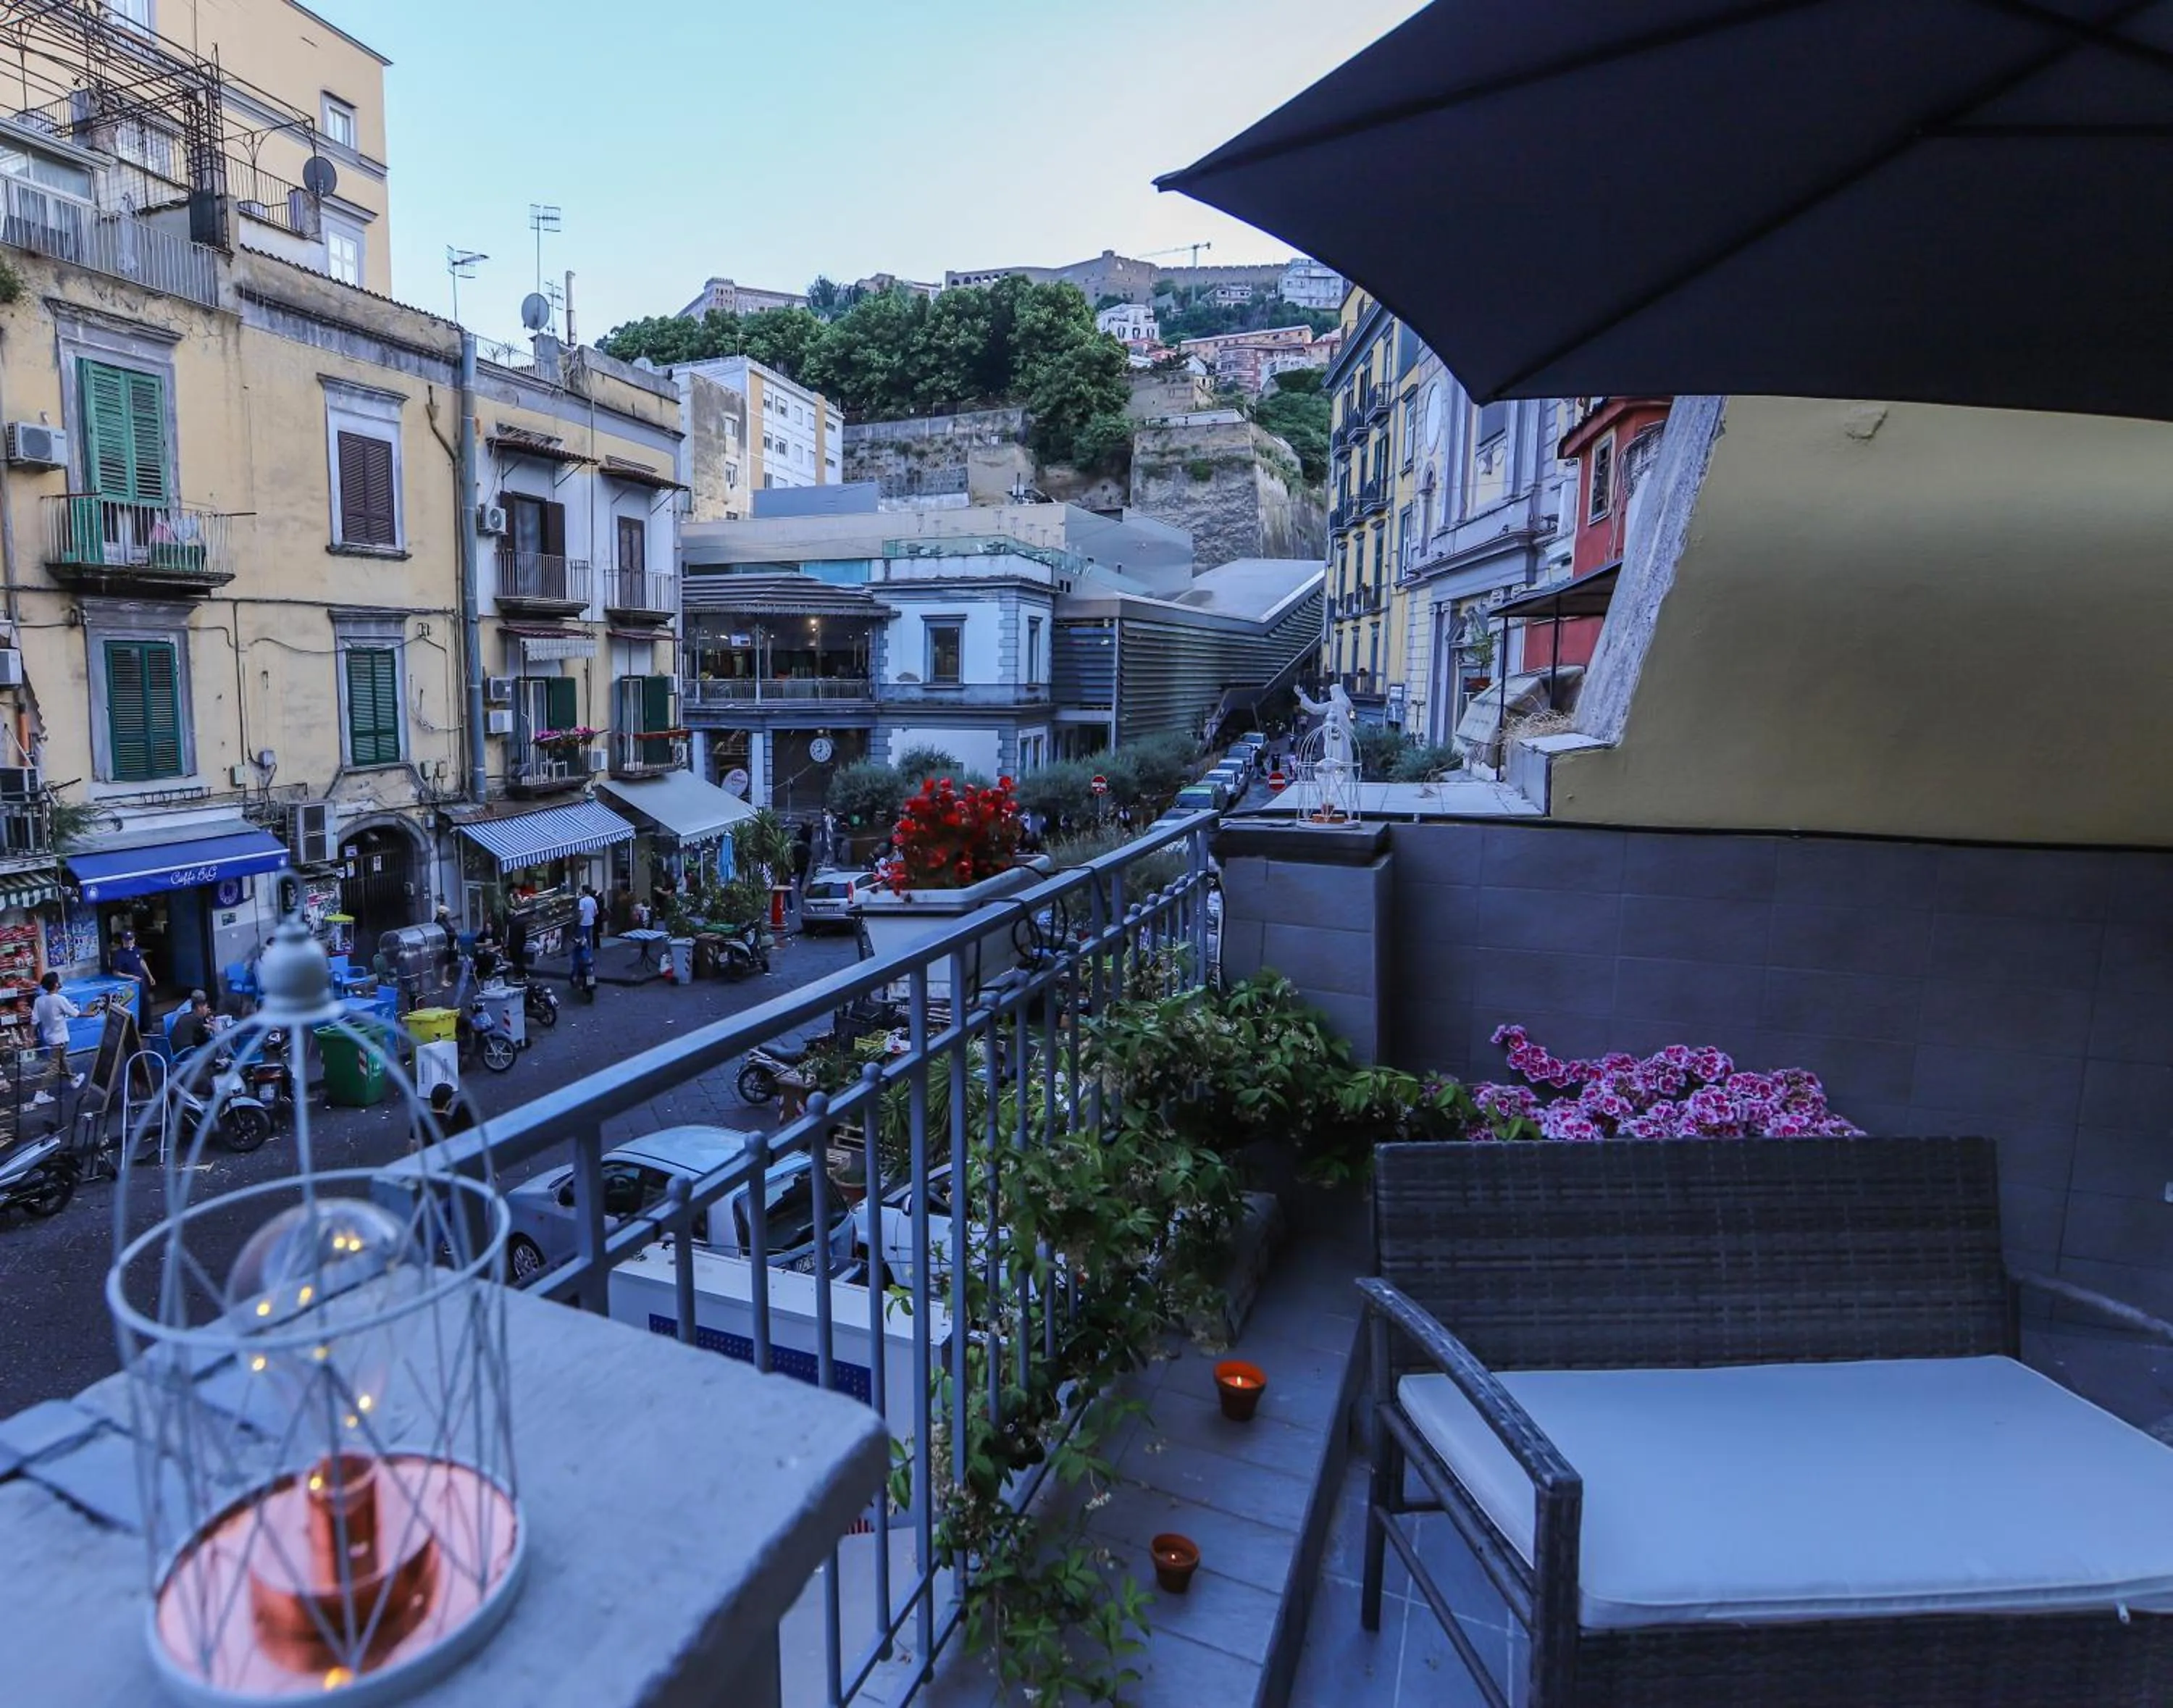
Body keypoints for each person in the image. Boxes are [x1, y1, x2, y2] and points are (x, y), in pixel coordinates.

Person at [30, 972, 83, 1104]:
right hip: (60, 1038)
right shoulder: (60, 999)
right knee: (54, 1066)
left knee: (62, 1059)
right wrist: (92, 1013)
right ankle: (40, 1093)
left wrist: (30, 1037)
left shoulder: (39, 1000)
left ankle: (73, 1079)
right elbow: (75, 1014)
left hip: (49, 1037)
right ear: (56, 984)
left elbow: (34, 1021)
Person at [109, 929, 154, 1017]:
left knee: (146, 1004)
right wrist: (132, 977)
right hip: (130, 985)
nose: (129, 942)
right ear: (123, 940)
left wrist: (150, 976)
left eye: (131, 939)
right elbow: (116, 973)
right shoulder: (119, 955)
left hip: (142, 982)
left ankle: (147, 1024)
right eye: (127, 940)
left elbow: (142, 962)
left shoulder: (137, 950)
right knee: (134, 1006)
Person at [169, 989, 214, 1056]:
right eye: (206, 1007)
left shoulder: (186, 1014)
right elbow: (204, 1041)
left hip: (175, 1052)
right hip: (185, 1053)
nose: (207, 1009)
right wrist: (208, 1029)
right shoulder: (197, 1019)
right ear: (199, 1007)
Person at [576, 885, 599, 950]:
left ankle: (584, 952)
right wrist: (591, 916)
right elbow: (596, 912)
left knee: (582, 939)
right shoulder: (593, 900)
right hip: (591, 922)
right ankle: (590, 952)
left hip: (583, 923)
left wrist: (579, 921)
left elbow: (581, 913)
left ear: (584, 891)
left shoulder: (582, 901)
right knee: (590, 939)